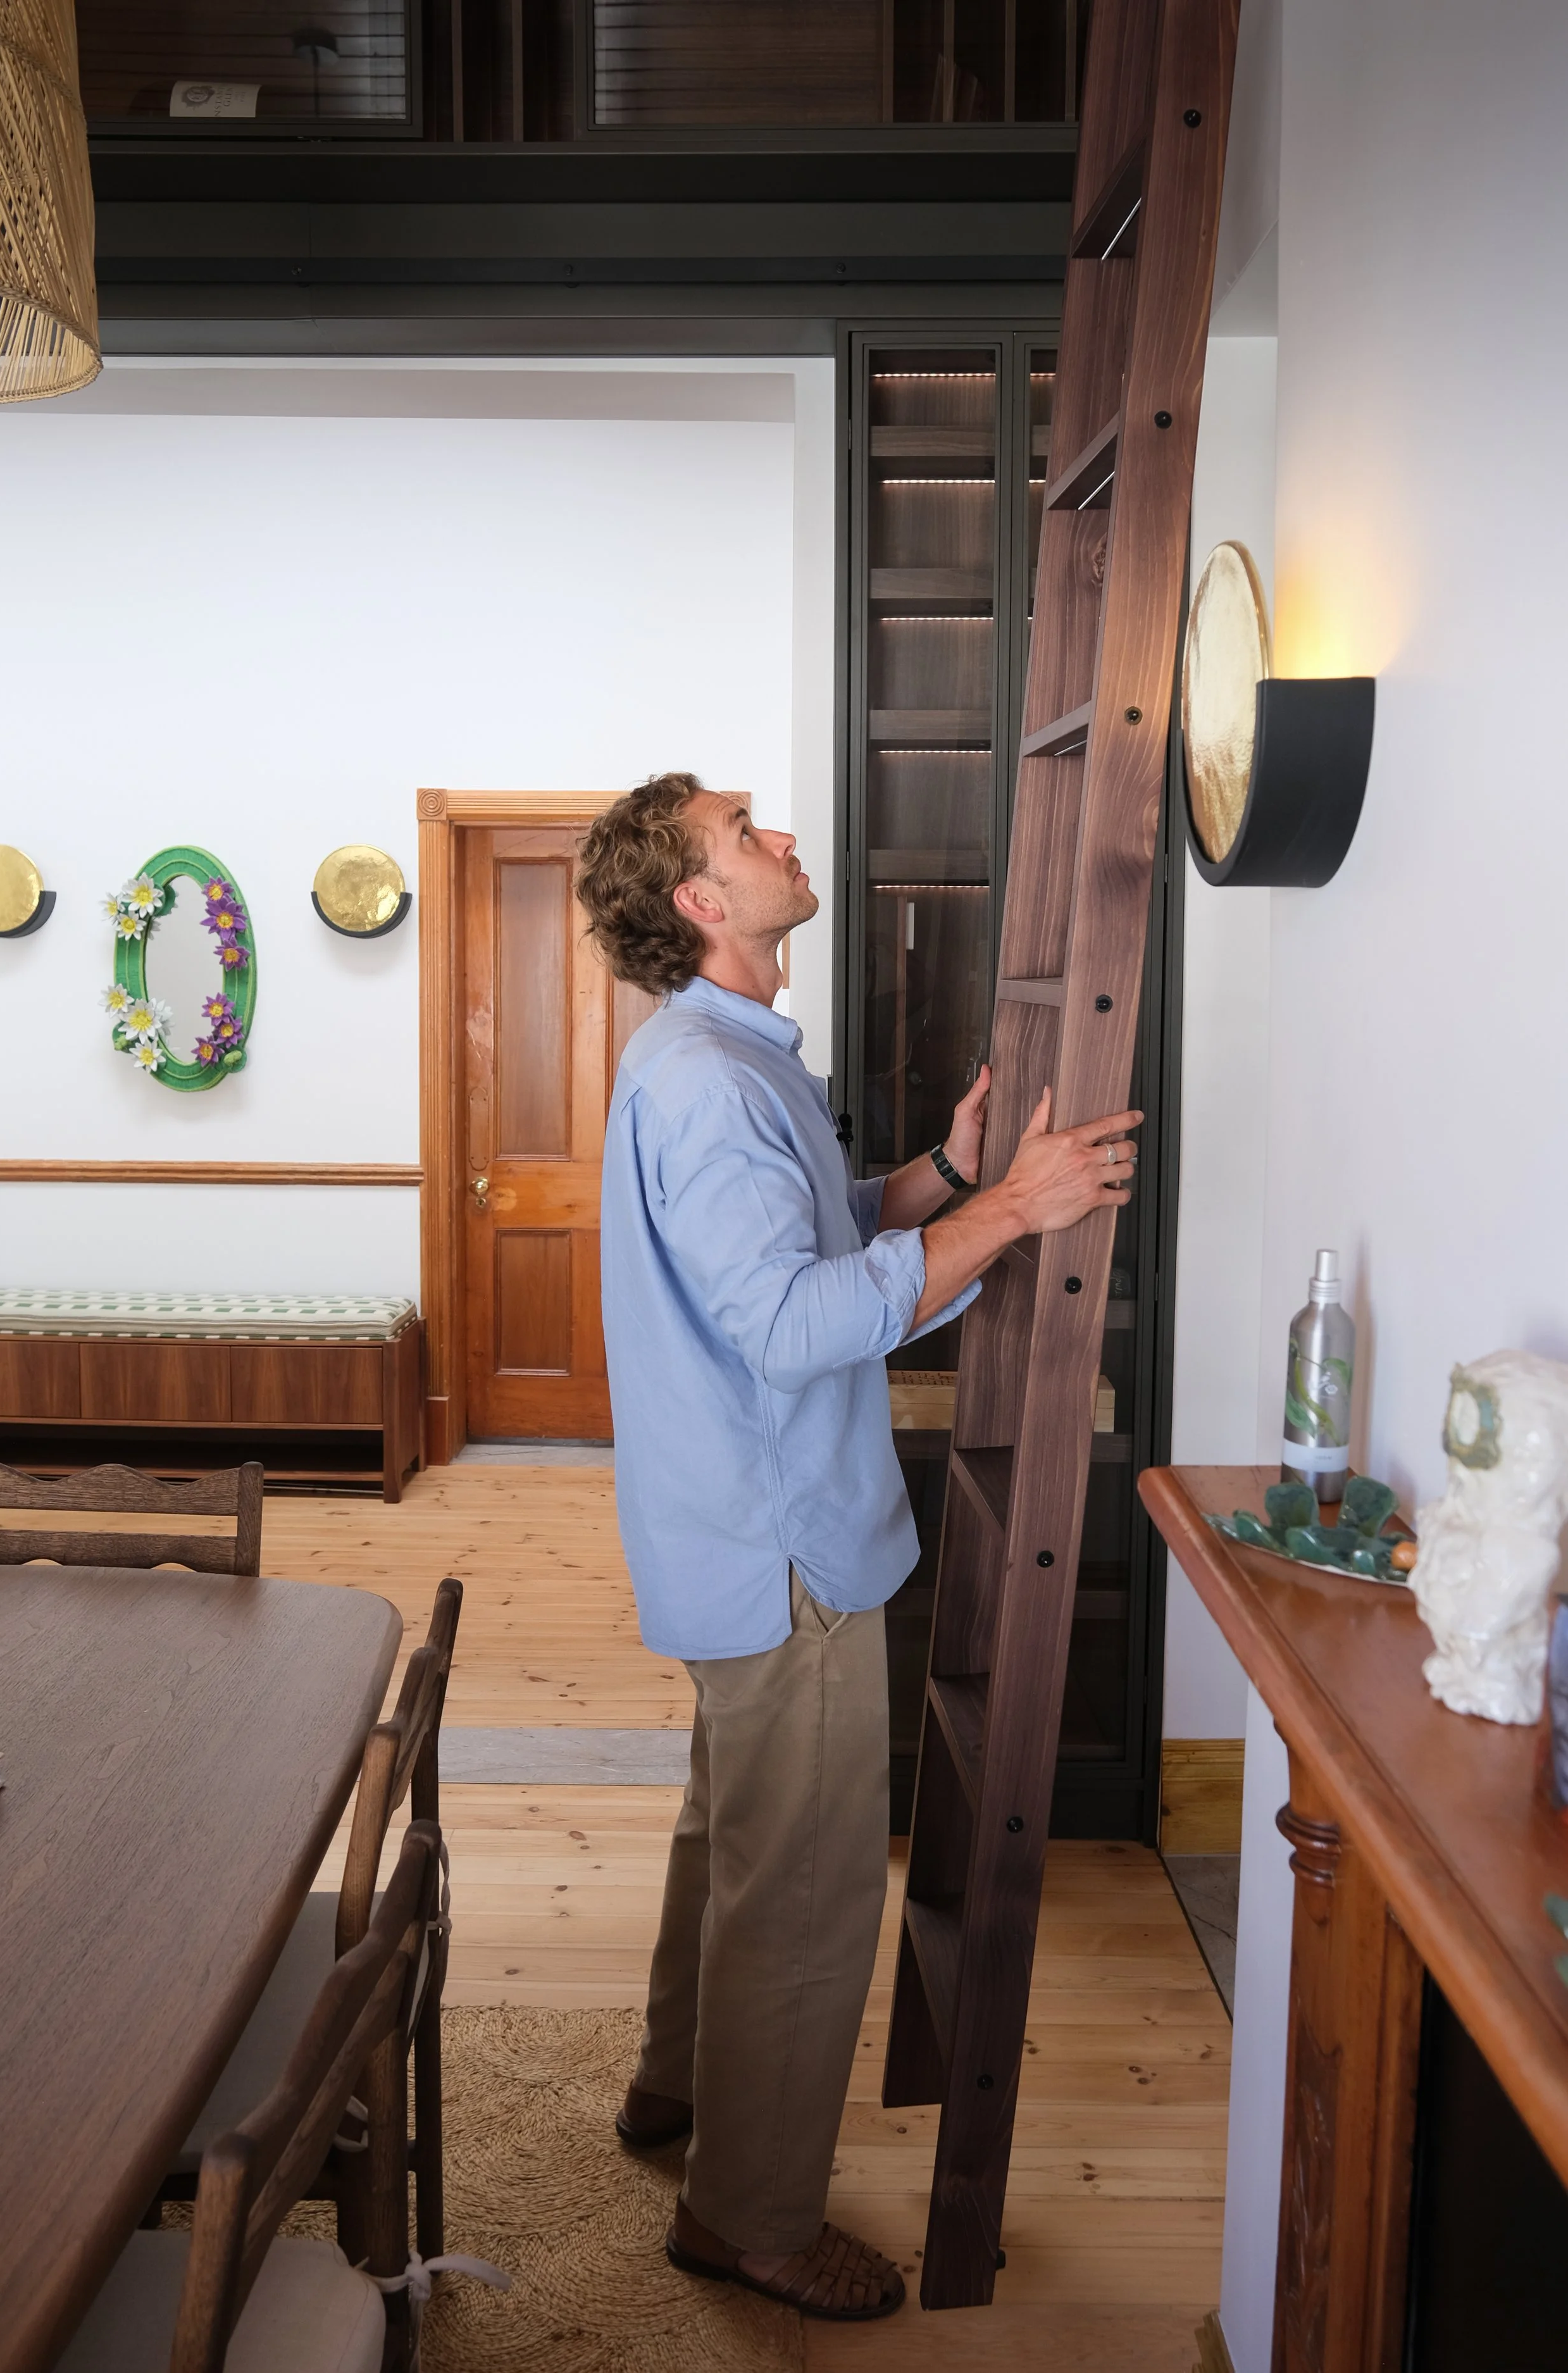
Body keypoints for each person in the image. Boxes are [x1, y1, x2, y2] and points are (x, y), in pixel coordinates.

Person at [575, 770, 1138, 2322]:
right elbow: (793, 1323)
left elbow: (819, 1249)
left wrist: (955, 1184)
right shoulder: (705, 1081)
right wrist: (1015, 1210)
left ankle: (675, 2088)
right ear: (703, 906)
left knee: (730, 1837)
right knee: (805, 1893)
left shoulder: (720, 1060)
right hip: (779, 1553)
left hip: (736, 1535)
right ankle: (747, 2219)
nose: (783, 843)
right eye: (745, 836)